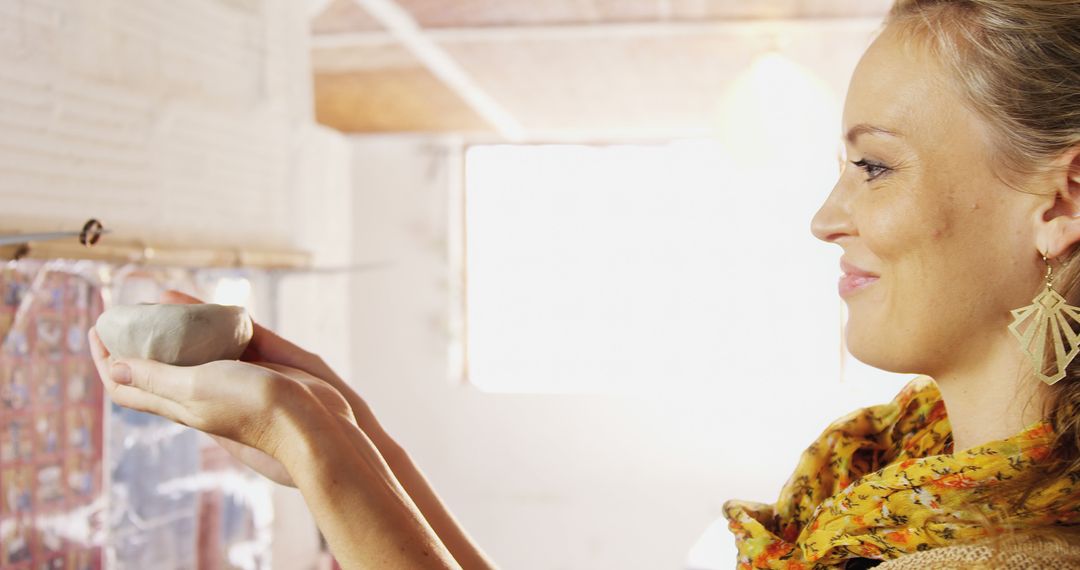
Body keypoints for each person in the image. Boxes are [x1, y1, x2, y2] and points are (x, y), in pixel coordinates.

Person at [86, 0, 1080, 568]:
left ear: (1060, 201)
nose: (826, 217)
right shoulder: (901, 473)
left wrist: (314, 446)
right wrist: (342, 435)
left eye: (874, 166)